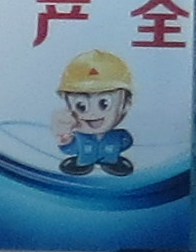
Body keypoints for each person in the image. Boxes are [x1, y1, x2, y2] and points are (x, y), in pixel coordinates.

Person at [53, 47, 138, 176]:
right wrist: (66, 142)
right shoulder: (79, 137)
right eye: (81, 106)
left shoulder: (117, 136)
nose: (92, 114)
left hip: (111, 158)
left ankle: (111, 163)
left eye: (104, 104)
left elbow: (126, 142)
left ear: (126, 103)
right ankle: (82, 164)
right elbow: (70, 149)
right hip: (84, 160)